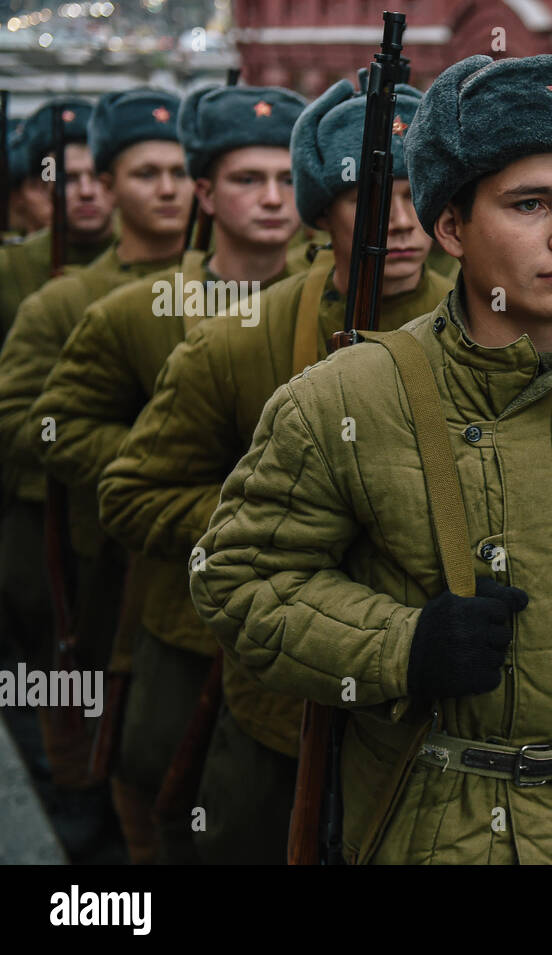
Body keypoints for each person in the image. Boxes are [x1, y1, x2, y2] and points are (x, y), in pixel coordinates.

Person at [179, 53, 552, 865]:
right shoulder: (344, 397)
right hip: (436, 826)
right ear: (450, 226)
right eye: (529, 204)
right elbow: (232, 577)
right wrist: (401, 645)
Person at [31, 83, 308, 864]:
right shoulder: (133, 313)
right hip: (172, 603)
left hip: (299, 624)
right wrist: (191, 490)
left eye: (288, 179)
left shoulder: (336, 307)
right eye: (249, 180)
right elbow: (57, 428)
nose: (272, 199)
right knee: (160, 792)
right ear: (205, 192)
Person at [0, 90, 190, 836]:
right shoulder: (48, 292)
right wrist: (150, 464)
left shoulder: (240, 289)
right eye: (147, 173)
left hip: (176, 567)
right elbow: (23, 420)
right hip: (76, 546)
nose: (169, 190)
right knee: (74, 722)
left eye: (181, 171)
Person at [0, 98, 115, 343]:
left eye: (96, 177)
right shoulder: (9, 268)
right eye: (69, 178)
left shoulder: (146, 256)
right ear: (44, 188)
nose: (86, 192)